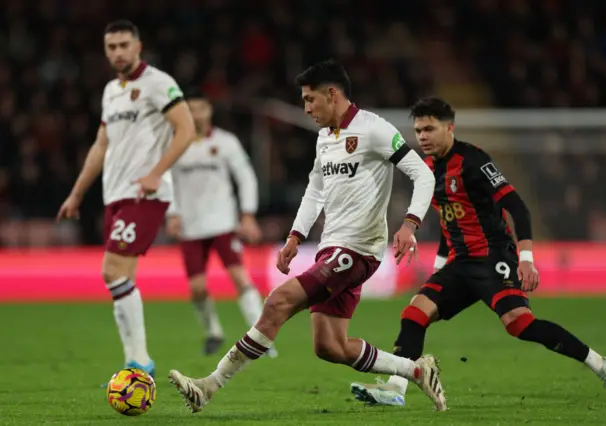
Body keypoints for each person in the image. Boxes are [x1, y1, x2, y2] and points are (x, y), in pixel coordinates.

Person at [167, 59, 446, 413]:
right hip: (331, 247)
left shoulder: (374, 129)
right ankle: (417, 370)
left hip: (358, 250)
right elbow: (315, 190)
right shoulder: (324, 138)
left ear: (333, 95)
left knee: (277, 302)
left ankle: (209, 385)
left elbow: (423, 175)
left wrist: (409, 224)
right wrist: (295, 236)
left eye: (310, 100)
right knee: (329, 346)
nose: (307, 108)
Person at [350, 97, 606, 406]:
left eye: (429, 129)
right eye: (418, 130)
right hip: (460, 263)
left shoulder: (473, 161)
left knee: (519, 323)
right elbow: (450, 221)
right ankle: (396, 389)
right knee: (414, 313)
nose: (423, 137)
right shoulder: (427, 168)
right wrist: (441, 267)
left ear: (449, 128)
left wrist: (526, 259)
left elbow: (518, 208)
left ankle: (602, 365)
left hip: (493, 257)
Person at [57, 20, 196, 377]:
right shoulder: (110, 92)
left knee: (111, 269)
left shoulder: (159, 83)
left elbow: (186, 129)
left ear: (138, 46)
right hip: (115, 195)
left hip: (143, 194)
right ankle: (134, 363)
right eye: (111, 47)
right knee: (121, 278)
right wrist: (76, 193)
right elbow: (101, 145)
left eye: (123, 45)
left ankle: (139, 361)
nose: (118, 52)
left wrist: (156, 173)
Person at [166, 89, 276, 357]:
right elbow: (164, 181)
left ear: (209, 111)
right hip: (190, 227)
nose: (195, 114)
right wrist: (172, 212)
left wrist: (247, 214)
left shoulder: (226, 142)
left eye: (200, 108)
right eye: (189, 109)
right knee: (197, 287)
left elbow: (246, 177)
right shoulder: (172, 145)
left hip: (223, 223)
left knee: (240, 277)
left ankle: (261, 339)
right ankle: (213, 332)